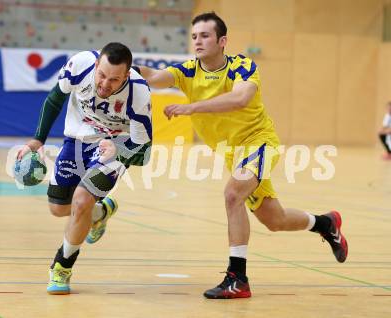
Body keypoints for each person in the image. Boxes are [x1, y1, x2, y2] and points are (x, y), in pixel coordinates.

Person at [138, 12, 348, 299]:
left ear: (222, 41)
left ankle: (238, 278)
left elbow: (240, 98)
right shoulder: (187, 71)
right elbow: (152, 77)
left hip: (259, 143)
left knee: (232, 194)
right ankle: (325, 223)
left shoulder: (242, 66)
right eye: (195, 36)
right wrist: (124, 66)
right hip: (233, 155)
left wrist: (192, 107)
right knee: (275, 220)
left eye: (205, 35)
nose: (198, 41)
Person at [17, 42, 152, 295]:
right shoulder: (80, 64)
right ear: (97, 64)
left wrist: (118, 151)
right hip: (77, 139)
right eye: (101, 75)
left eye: (114, 80)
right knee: (58, 209)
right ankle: (100, 212)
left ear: (127, 74)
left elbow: (143, 150)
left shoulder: (139, 93)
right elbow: (55, 99)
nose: (104, 84)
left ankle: (62, 266)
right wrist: (38, 139)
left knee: (81, 201)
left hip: (115, 146)